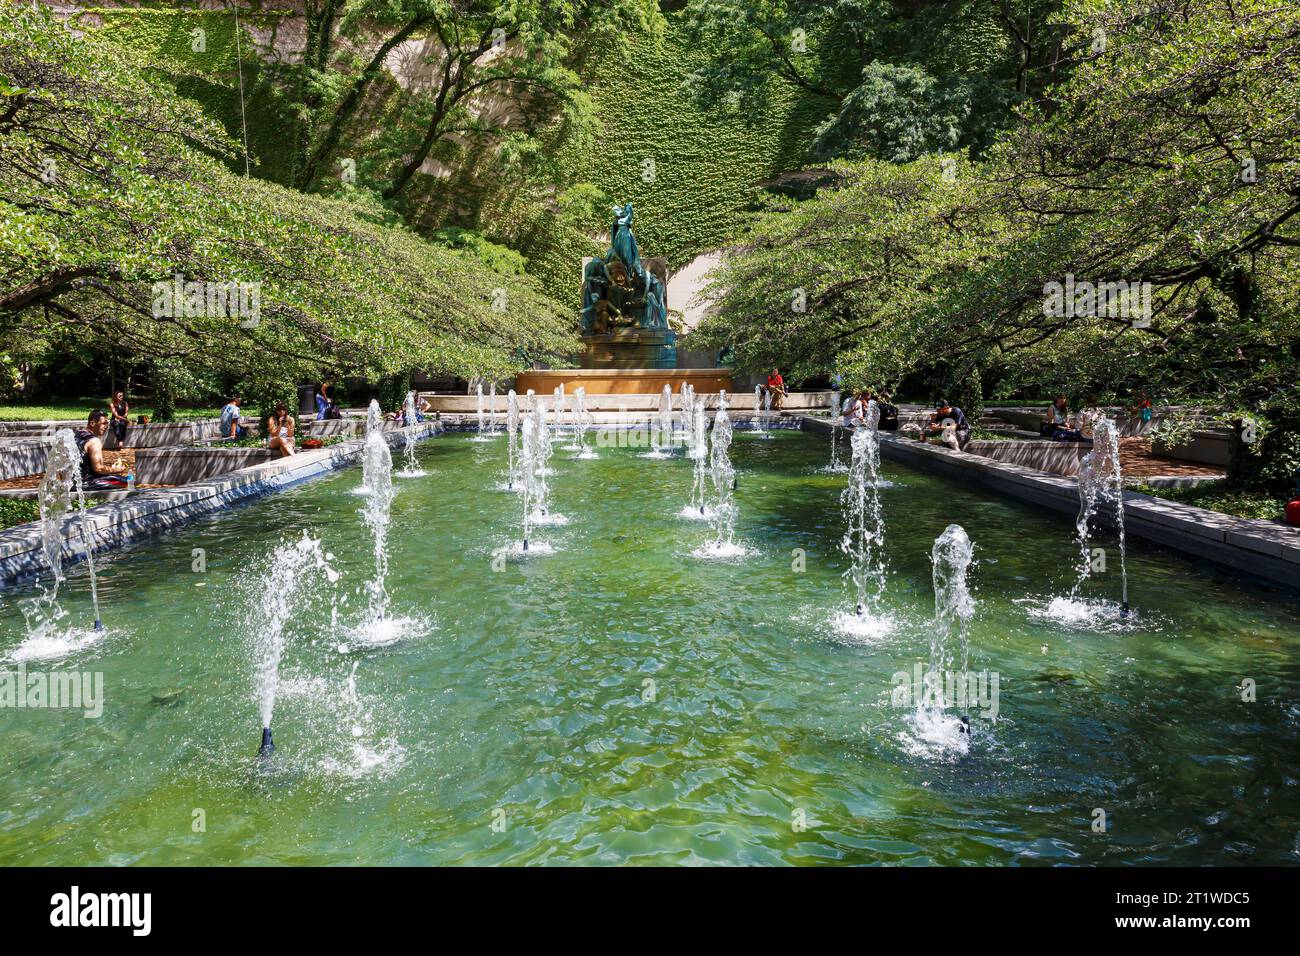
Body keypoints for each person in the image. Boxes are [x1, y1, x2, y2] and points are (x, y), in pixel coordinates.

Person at [74, 410, 129, 490]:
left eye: (107, 423)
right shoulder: (94, 441)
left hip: (73, 481)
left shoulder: (77, 434)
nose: (106, 426)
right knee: (126, 481)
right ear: (92, 423)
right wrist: (117, 469)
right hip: (86, 483)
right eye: (103, 423)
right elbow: (99, 468)